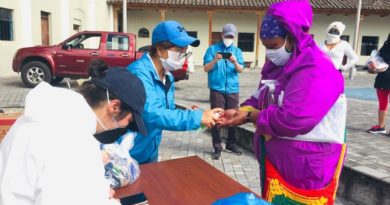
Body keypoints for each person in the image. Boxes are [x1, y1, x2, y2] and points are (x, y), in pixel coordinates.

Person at [219, 0, 347, 204]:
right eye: (265, 47)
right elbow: (262, 94)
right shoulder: (279, 65)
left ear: (291, 36)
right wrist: (241, 110)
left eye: (273, 46)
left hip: (306, 167)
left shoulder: (316, 69)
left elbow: (293, 119)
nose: (269, 53)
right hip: (279, 162)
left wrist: (252, 116)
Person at [0, 63, 147, 205]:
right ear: (114, 107)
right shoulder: (75, 144)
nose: (126, 126)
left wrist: (95, 191)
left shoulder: (44, 116)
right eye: (129, 120)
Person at [126, 20, 223, 164]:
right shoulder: (139, 73)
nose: (182, 55)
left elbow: (168, 111)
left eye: (185, 51)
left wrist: (197, 114)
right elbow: (153, 114)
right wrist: (196, 117)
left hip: (150, 149)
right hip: (129, 152)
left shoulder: (168, 76)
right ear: (159, 49)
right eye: (179, 50)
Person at [203, 23, 244, 159]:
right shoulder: (212, 49)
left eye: (231, 36)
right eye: (227, 36)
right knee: (217, 117)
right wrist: (214, 60)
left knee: (233, 116)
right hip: (217, 89)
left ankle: (231, 144)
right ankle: (217, 146)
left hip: (233, 89)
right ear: (222, 35)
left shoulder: (237, 51)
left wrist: (235, 63)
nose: (229, 38)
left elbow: (241, 70)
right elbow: (206, 68)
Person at [367, 33, 390, 134]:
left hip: (384, 77)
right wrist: (372, 65)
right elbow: (376, 60)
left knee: (383, 102)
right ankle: (381, 127)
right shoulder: (386, 46)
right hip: (383, 78)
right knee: (383, 102)